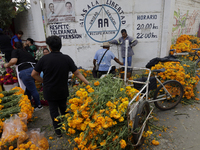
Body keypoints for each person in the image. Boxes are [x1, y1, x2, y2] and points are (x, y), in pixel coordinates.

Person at [31, 35, 89, 137]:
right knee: (64, 110)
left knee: (53, 112)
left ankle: (58, 132)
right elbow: (77, 73)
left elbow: (34, 74)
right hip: (62, 90)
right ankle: (68, 127)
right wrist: (88, 83)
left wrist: (44, 81)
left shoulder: (44, 59)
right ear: (60, 46)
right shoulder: (66, 59)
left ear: (49, 47)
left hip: (49, 91)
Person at [3, 42, 43, 111]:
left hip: (25, 71)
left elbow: (13, 61)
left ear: (14, 47)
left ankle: (39, 105)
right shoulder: (26, 52)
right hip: (32, 70)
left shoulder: (15, 51)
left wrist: (7, 65)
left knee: (32, 89)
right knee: (28, 88)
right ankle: (29, 102)